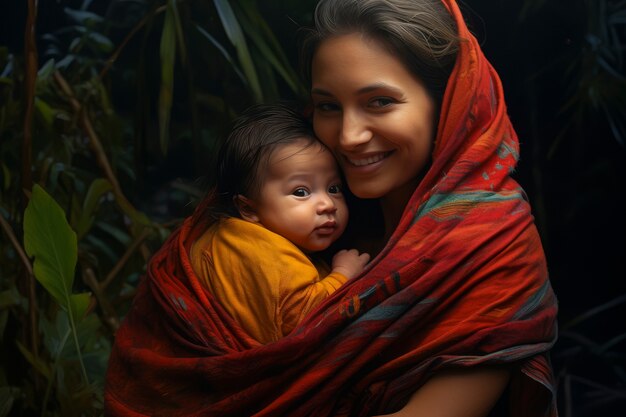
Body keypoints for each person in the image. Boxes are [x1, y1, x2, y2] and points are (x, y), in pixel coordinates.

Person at [104, 1, 558, 416]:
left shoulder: (491, 250)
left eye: (379, 102)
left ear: (449, 104)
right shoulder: (288, 207)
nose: (348, 136)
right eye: (328, 106)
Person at [189, 103, 370, 344]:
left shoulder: (219, 237)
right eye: (301, 191)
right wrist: (343, 275)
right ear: (248, 208)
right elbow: (306, 320)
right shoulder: (269, 253)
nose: (328, 204)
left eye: (333, 188)